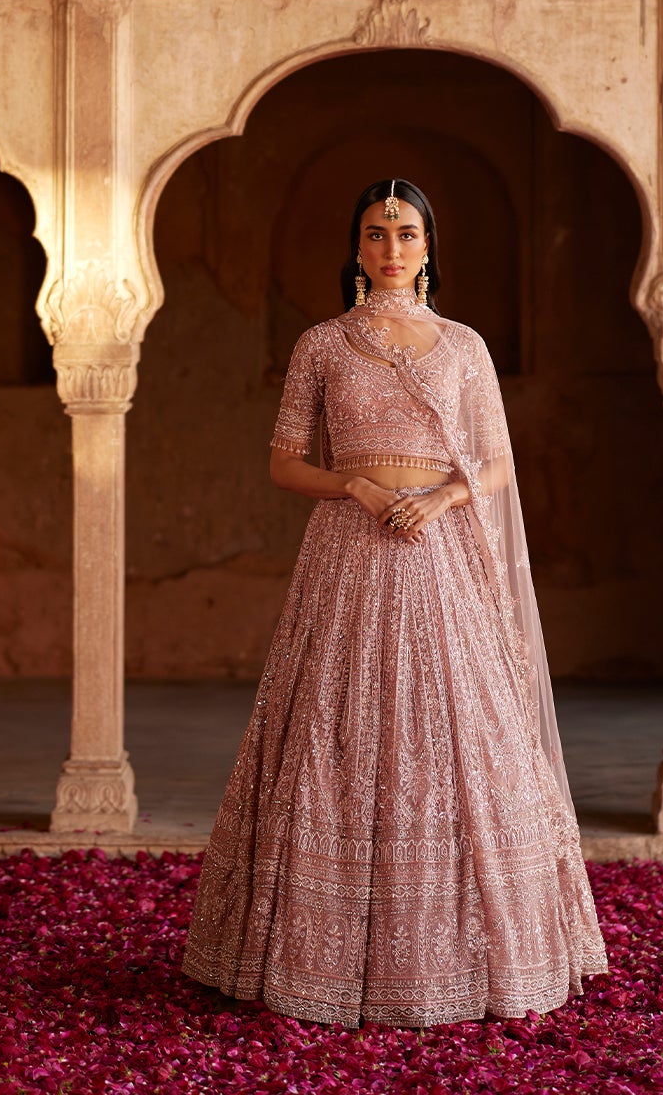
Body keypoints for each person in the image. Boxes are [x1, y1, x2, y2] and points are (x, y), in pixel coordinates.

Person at [181, 177, 609, 1028]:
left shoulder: (463, 347)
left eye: (406, 234)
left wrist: (444, 500)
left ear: (428, 247)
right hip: (350, 551)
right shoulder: (323, 346)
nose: (390, 249)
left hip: (441, 552)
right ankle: (317, 957)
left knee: (458, 733)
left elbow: (496, 464)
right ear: (356, 246)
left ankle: (477, 958)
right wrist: (359, 490)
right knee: (337, 729)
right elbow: (283, 462)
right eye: (375, 233)